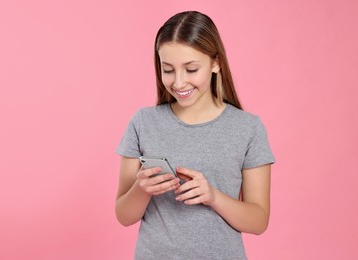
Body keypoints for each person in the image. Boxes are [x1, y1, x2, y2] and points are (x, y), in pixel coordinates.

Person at [115, 11, 275, 259]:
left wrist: (213, 196)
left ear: (215, 62)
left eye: (191, 69)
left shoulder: (248, 128)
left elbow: (258, 221)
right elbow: (123, 216)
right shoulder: (143, 122)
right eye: (168, 70)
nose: (179, 83)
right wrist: (142, 189)